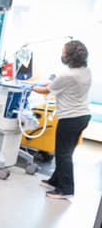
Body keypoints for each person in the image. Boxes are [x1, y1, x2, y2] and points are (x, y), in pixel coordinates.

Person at [32, 40, 92, 200]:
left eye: (64, 52)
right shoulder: (85, 71)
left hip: (70, 118)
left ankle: (66, 189)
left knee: (63, 154)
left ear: (69, 56)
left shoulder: (67, 75)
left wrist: (29, 86)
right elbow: (59, 84)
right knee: (66, 152)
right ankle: (55, 180)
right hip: (82, 116)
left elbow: (45, 90)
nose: (62, 54)